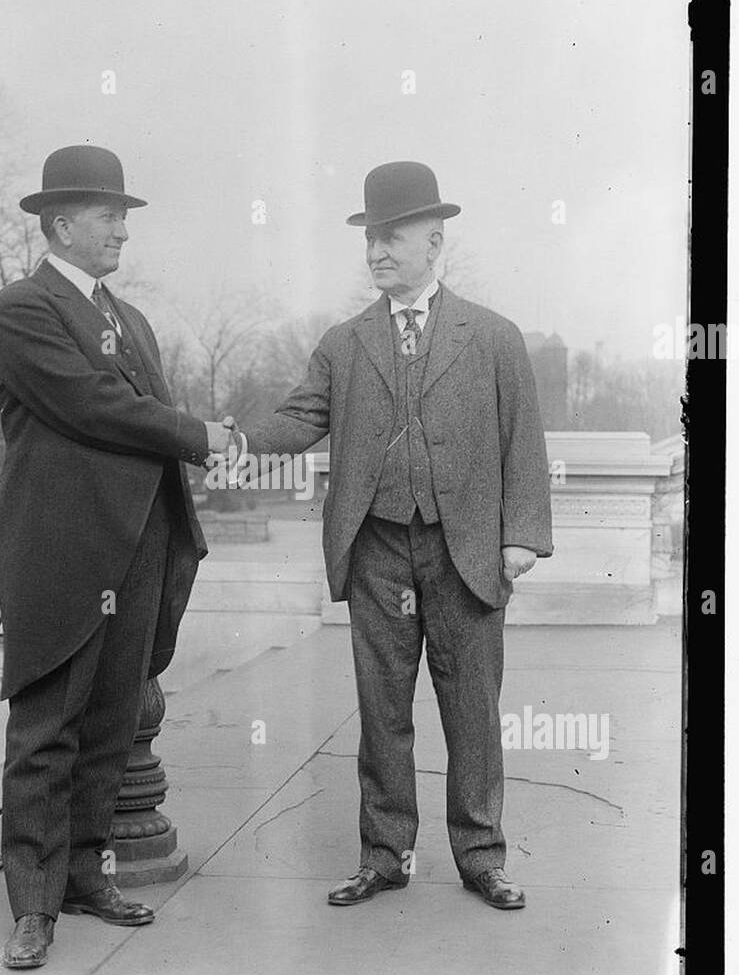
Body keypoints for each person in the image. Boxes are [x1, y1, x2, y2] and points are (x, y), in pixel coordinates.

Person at [234, 161, 553, 911]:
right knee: (381, 710)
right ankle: (384, 855)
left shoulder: (494, 338)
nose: (375, 252)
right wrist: (230, 441)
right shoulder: (344, 344)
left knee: (470, 707)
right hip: (376, 550)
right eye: (369, 239)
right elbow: (297, 419)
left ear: (434, 240)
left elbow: (523, 445)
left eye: (390, 238)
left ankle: (481, 857)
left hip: (464, 550)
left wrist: (521, 538)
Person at [0, 145, 234, 968]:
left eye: (123, 216)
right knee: (45, 726)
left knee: (109, 722)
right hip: (60, 554)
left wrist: (197, 445)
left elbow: (137, 413)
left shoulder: (131, 319)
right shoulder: (21, 308)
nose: (122, 228)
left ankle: (87, 877)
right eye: (107, 215)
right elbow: (94, 406)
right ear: (60, 224)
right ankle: (31, 906)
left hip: (138, 549)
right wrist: (201, 436)